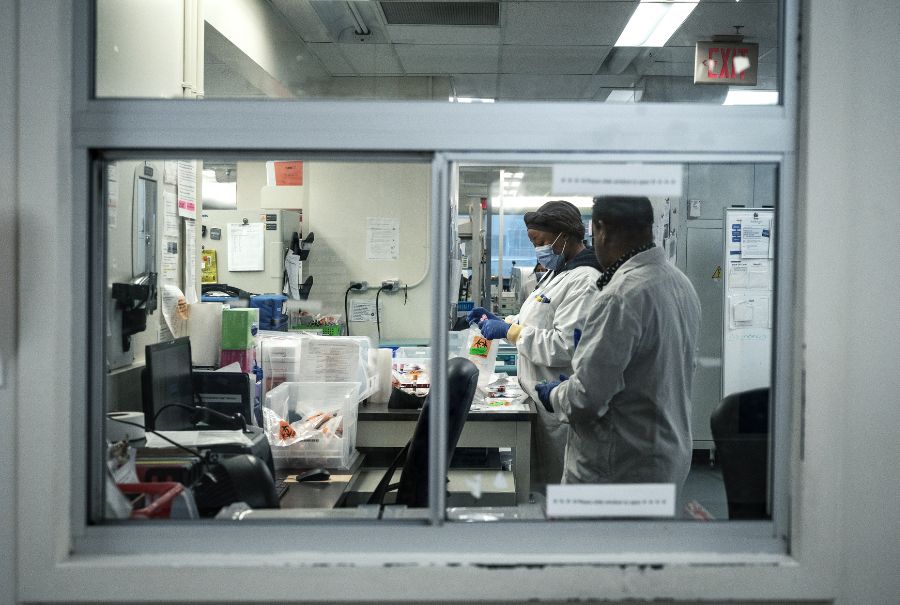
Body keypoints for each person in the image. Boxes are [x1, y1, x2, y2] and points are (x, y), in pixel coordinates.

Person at [535, 195, 701, 491]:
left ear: (602, 230)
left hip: (619, 467)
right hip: (665, 457)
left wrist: (554, 395)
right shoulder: (679, 283)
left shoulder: (621, 295)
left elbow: (586, 399)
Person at [467, 200, 601, 493]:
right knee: (538, 489)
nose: (536, 249)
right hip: (537, 401)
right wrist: (501, 322)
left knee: (559, 491)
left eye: (539, 242)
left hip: (557, 402)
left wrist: (510, 332)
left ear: (564, 236)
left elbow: (564, 346)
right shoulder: (559, 274)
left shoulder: (585, 281)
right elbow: (536, 322)